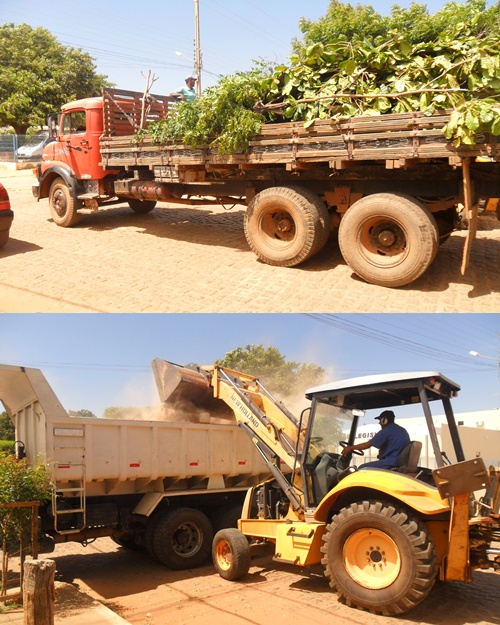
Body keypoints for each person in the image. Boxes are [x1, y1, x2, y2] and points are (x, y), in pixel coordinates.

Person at [340, 410, 410, 470]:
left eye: (380, 420)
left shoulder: (386, 431)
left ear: (384, 420)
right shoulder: (402, 430)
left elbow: (366, 445)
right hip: (399, 463)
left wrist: (350, 448)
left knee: (362, 468)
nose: (379, 423)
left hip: (390, 463)